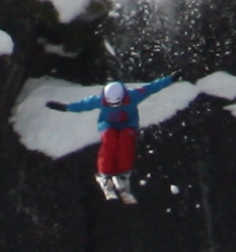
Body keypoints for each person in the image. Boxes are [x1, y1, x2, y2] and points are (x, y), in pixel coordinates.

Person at [49, 73, 188, 202]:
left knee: (125, 143)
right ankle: (105, 173)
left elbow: (151, 87)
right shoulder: (101, 100)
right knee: (110, 142)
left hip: (128, 125)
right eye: (111, 104)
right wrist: (65, 107)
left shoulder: (133, 96)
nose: (114, 106)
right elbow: (84, 104)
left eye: (117, 103)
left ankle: (122, 174)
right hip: (108, 125)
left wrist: (171, 79)